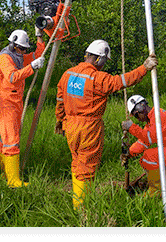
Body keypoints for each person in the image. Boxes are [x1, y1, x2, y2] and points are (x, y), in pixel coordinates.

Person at [55, 40, 157, 208]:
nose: (103, 65)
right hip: (88, 127)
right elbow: (123, 81)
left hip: (70, 124)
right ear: (98, 59)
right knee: (86, 167)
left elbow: (60, 99)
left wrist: (59, 119)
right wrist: (144, 68)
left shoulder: (67, 75)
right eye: (104, 61)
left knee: (77, 162)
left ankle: (77, 200)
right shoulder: (97, 78)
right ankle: (81, 208)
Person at [0, 28, 46, 187]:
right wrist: (32, 67)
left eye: (25, 49)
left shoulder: (18, 56)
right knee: (11, 141)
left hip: (14, 102)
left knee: (7, 139)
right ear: (13, 45)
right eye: (22, 48)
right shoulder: (4, 58)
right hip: (6, 103)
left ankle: (6, 175)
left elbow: (38, 54)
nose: (24, 52)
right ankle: (13, 181)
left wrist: (39, 35)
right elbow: (12, 77)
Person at [122, 94, 166, 196]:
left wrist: (132, 127)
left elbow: (150, 137)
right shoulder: (151, 120)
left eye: (136, 115)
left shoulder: (159, 116)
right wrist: (129, 153)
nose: (138, 119)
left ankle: (156, 190)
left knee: (149, 156)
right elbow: (143, 142)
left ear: (141, 107)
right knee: (146, 160)